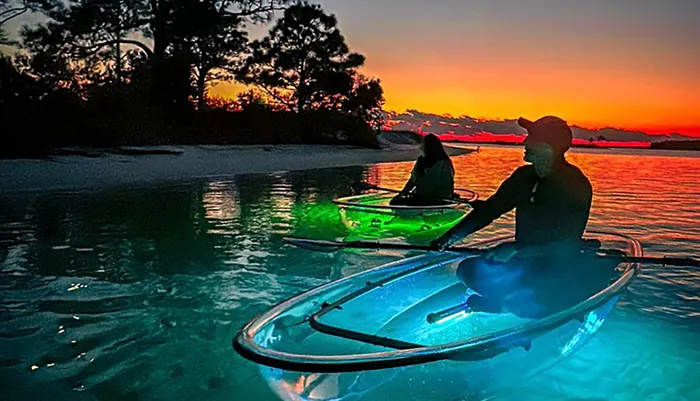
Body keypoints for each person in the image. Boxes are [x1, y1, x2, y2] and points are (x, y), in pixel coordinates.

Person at [430, 116, 613, 319]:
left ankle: (512, 305)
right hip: (524, 262)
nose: (524, 143)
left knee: (545, 289)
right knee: (467, 270)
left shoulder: (574, 184)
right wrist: (447, 238)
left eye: (531, 139)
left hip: (556, 266)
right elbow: (490, 209)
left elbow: (567, 243)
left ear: (548, 146)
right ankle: (511, 302)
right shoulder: (523, 176)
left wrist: (517, 249)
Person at [390, 133, 455, 206]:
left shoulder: (444, 163)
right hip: (419, 198)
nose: (421, 147)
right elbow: (412, 182)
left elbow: (447, 184)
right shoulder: (421, 161)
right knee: (394, 203)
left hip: (438, 200)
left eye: (423, 145)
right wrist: (402, 193)